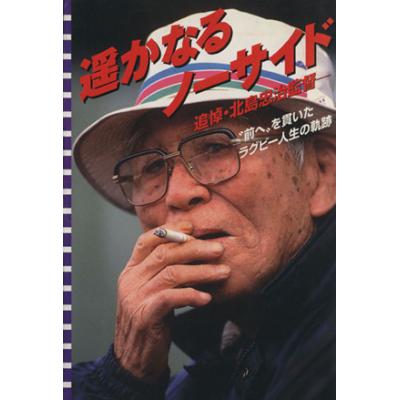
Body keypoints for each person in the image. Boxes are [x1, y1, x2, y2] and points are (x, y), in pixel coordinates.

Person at [72, 9, 336, 400]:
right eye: (152, 167)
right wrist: (127, 374)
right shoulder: (216, 368)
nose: (178, 194)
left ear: (322, 173)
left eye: (215, 147)